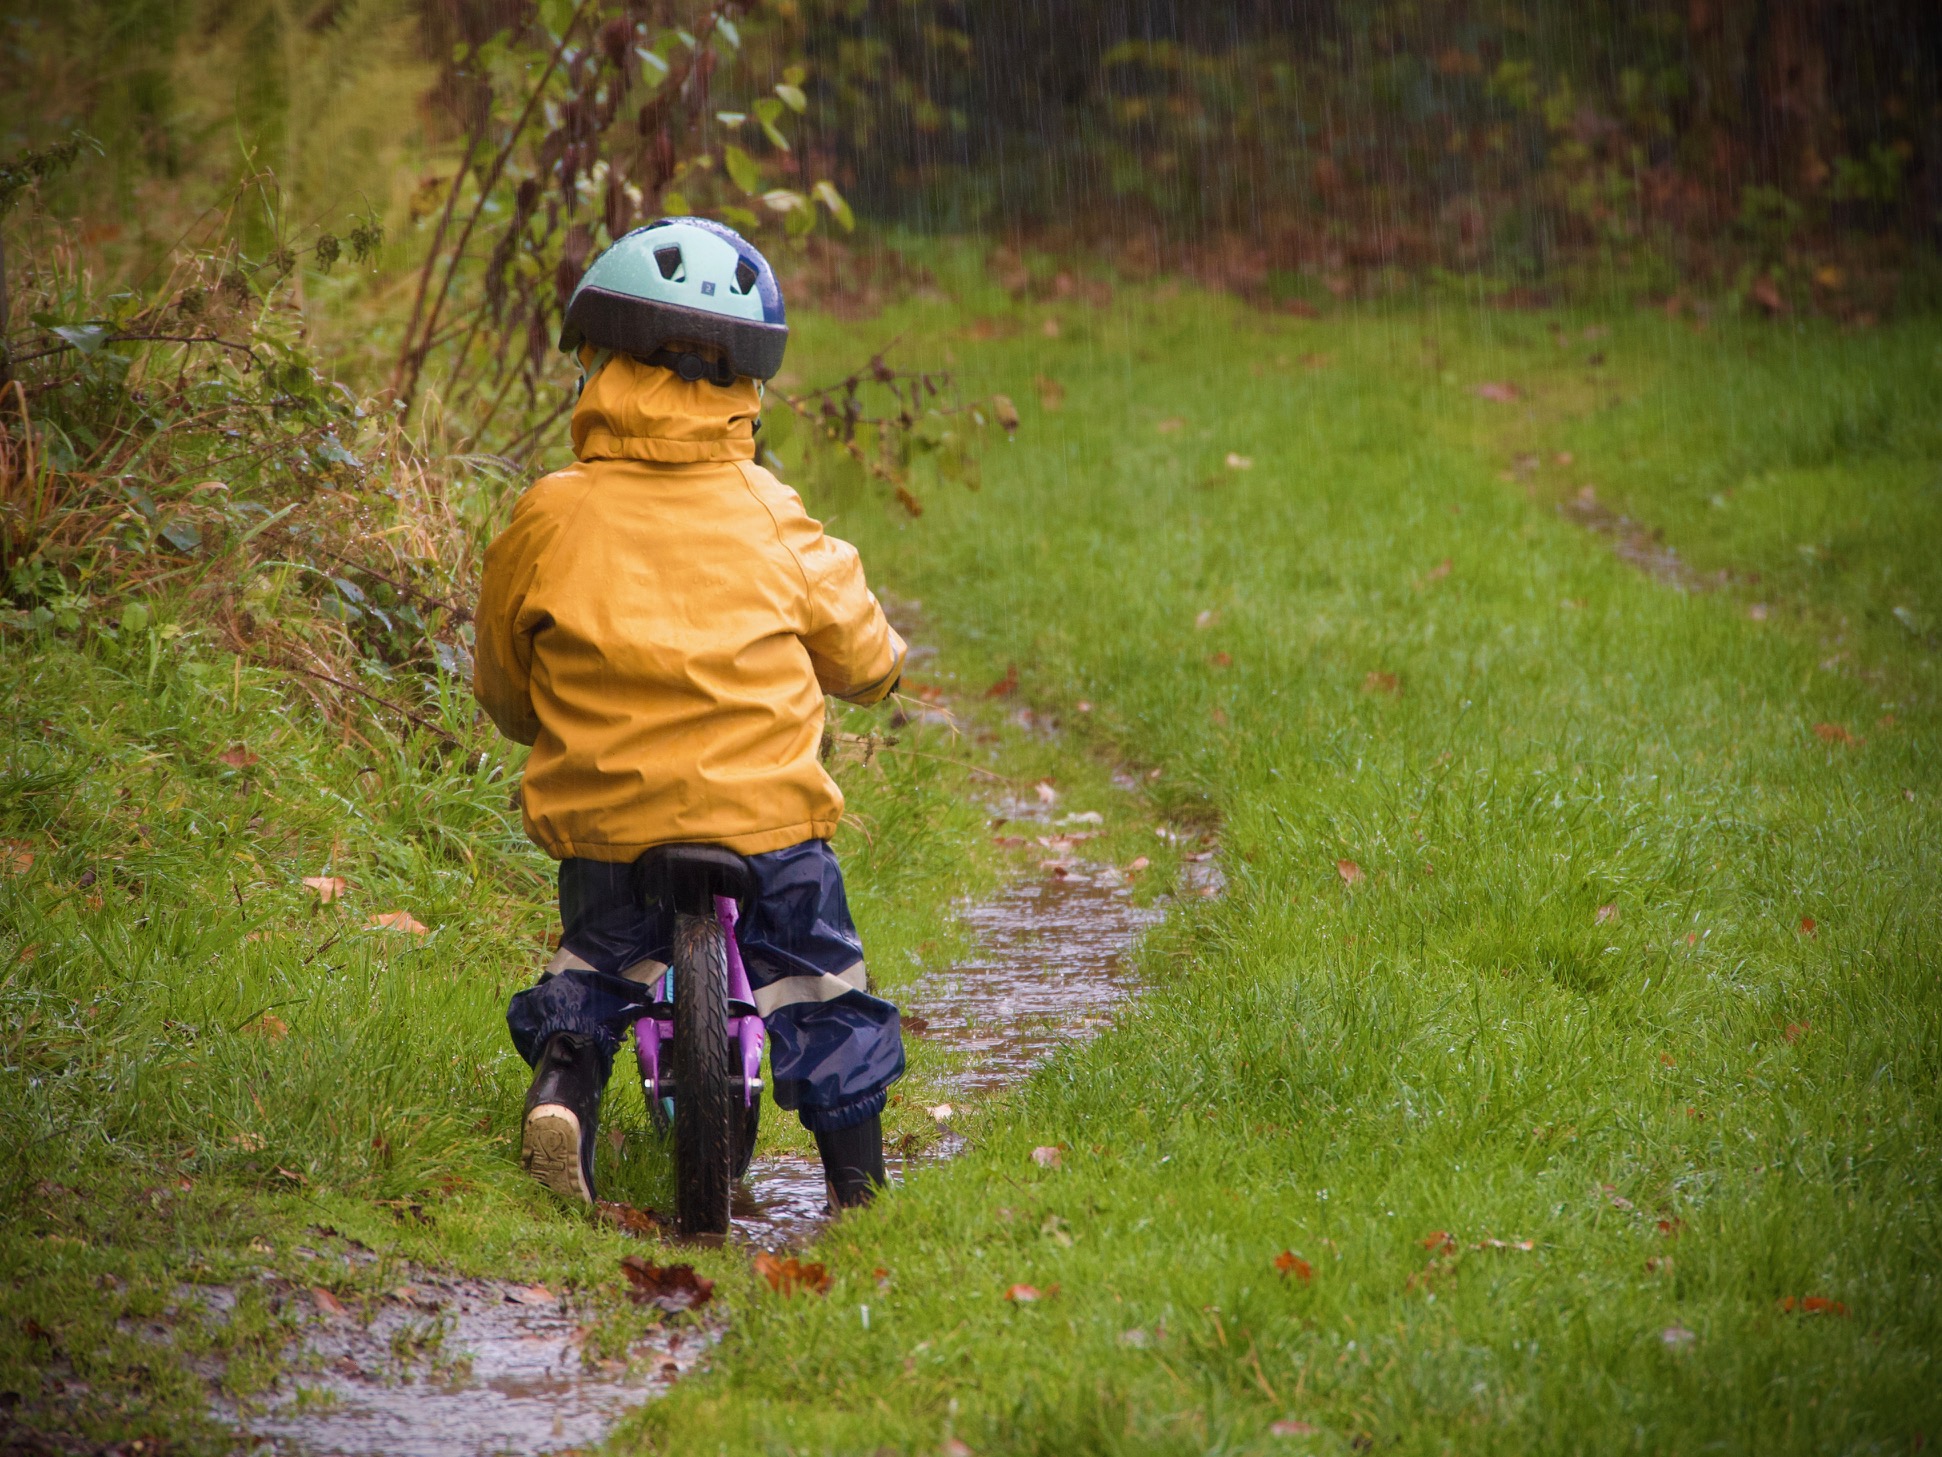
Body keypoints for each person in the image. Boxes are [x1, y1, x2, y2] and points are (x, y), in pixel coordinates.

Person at [472, 217, 907, 1214]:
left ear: (600, 363)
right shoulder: (769, 510)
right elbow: (855, 644)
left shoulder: (552, 511)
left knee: (594, 964)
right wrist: (883, 673)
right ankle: (860, 1181)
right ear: (743, 382)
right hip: (769, 825)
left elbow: (504, 676)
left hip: (611, 822)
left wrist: (528, 713)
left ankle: (565, 1087)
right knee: (824, 987)